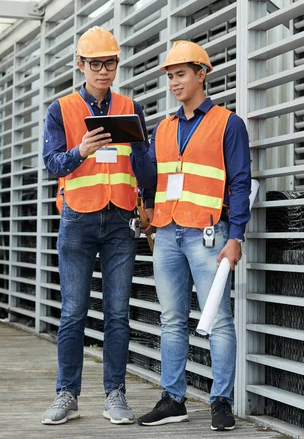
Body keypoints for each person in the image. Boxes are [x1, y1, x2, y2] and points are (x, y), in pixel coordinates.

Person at [41, 26, 155, 425]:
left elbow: (143, 165)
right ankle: (67, 394)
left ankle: (115, 395)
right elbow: (51, 163)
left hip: (121, 220)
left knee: (117, 314)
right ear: (81, 65)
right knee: (73, 311)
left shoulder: (130, 107)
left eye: (110, 63)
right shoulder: (62, 109)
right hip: (78, 219)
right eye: (95, 64)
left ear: (117, 65)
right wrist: (80, 151)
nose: (103, 71)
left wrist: (144, 163)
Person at [137, 40, 251, 432]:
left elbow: (239, 182)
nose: (173, 82)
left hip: (209, 235)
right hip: (167, 233)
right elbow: (154, 180)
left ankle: (222, 401)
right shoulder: (163, 129)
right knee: (171, 320)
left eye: (180, 74)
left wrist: (235, 236)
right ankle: (173, 399)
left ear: (202, 74)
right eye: (169, 76)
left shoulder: (228, 123)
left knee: (218, 320)